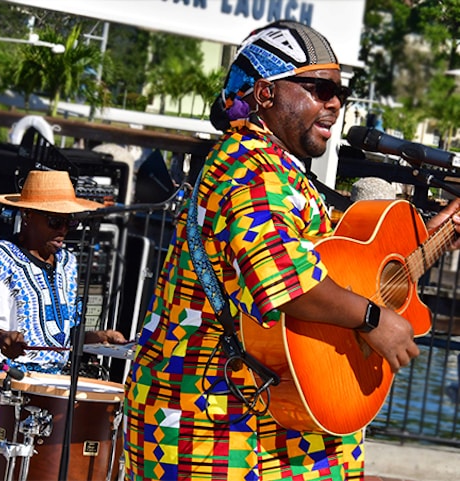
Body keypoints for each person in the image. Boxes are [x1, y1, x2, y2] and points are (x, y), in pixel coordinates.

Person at [124, 20, 460, 480]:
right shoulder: (248, 168)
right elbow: (282, 282)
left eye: (341, 92)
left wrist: (442, 230)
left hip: (277, 424)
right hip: (217, 429)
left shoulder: (282, 174)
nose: (336, 104)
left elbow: (343, 272)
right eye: (320, 89)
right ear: (266, 93)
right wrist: (374, 320)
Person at [0, 170, 128, 447]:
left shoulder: (67, 263)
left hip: (49, 386)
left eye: (69, 222)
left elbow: (57, 338)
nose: (63, 230)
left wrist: (96, 338)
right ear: (27, 215)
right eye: (55, 221)